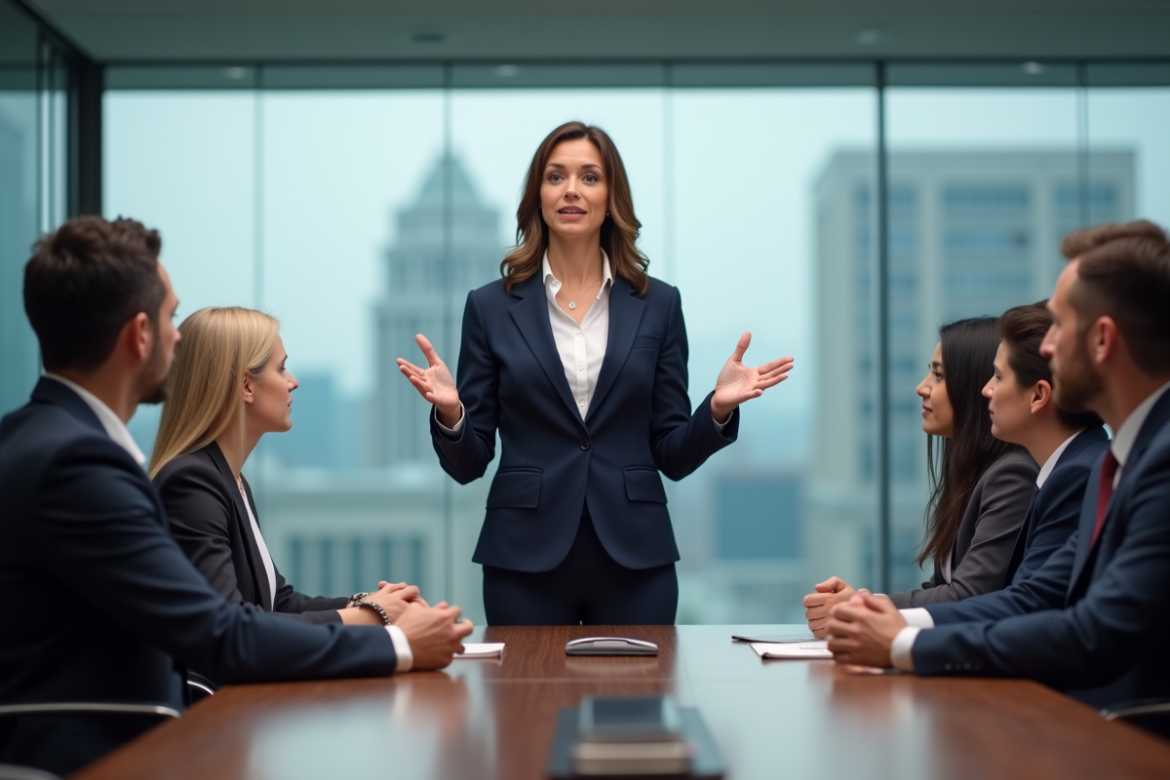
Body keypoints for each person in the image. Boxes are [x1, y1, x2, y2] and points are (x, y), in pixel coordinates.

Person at [0, 216, 473, 776]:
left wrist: (373, 610)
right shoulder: (82, 463)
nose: (180, 337)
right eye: (171, 316)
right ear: (139, 335)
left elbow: (261, 608)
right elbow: (220, 633)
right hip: (101, 756)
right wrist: (396, 644)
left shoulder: (38, 437)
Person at [396, 121, 794, 625]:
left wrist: (715, 410)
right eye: (555, 176)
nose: (571, 190)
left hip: (636, 556)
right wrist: (452, 414)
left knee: (637, 704)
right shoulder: (490, 307)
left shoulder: (660, 304)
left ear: (611, 197)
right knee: (526, 703)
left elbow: (671, 452)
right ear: (537, 196)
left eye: (589, 177)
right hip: (523, 558)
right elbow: (469, 464)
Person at [825, 220, 1170, 712]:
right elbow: (1035, 597)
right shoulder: (1114, 463)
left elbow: (1096, 632)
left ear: (1102, 341)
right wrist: (895, 626)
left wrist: (904, 643)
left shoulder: (1153, 463)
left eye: (1061, 326)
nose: (1046, 348)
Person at [151, 307, 426, 641]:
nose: (293, 382)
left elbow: (276, 603)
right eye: (281, 368)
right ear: (246, 386)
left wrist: (373, 603)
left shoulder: (229, 479)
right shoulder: (193, 483)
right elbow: (232, 627)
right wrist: (372, 616)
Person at [804, 317, 1037, 636]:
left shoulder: (1012, 473)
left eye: (939, 375)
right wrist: (861, 604)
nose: (922, 387)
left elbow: (969, 595)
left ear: (974, 386)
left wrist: (862, 607)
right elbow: (943, 588)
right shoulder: (975, 471)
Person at [977, 302, 1108, 587]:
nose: (986, 389)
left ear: (1038, 395)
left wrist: (906, 630)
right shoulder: (1081, 462)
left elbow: (1033, 602)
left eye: (998, 376)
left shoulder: (1077, 476)